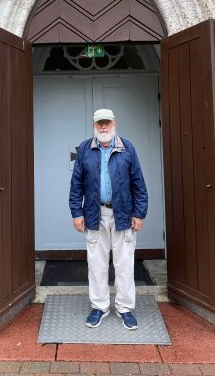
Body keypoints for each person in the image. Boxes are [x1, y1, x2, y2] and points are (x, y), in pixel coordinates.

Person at [69, 108, 148, 330]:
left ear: (115, 124)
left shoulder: (127, 147)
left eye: (107, 123)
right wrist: (77, 213)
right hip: (95, 214)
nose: (103, 127)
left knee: (124, 263)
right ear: (94, 126)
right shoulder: (85, 148)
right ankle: (100, 307)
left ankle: (124, 308)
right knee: (96, 263)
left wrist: (139, 213)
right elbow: (76, 185)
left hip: (123, 213)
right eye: (99, 124)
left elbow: (138, 184)